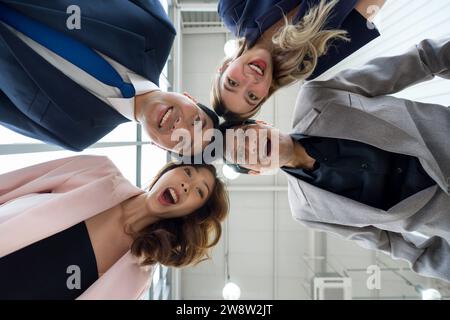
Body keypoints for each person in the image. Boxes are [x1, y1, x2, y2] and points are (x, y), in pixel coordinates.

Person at [219, 38, 450, 282]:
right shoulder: (306, 211)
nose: (251, 146)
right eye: (243, 155)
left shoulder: (317, 97)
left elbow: (419, 61)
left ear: (262, 124)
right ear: (255, 171)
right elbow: (391, 244)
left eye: (245, 136)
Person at [0, 0, 219, 154]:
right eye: (196, 121)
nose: (181, 126)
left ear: (160, 147)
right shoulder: (156, 29)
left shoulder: (74, 134)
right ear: (189, 97)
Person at [0, 155, 229, 299]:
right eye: (188, 172)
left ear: (190, 214)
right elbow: (16, 182)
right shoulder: (98, 171)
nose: (186, 185)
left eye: (199, 191)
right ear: (169, 170)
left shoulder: (137, 278)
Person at [211, 0, 386, 120]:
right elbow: (367, 9)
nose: (250, 80)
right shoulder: (312, 63)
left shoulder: (232, 10)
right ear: (265, 94)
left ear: (225, 66)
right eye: (252, 96)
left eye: (232, 83)